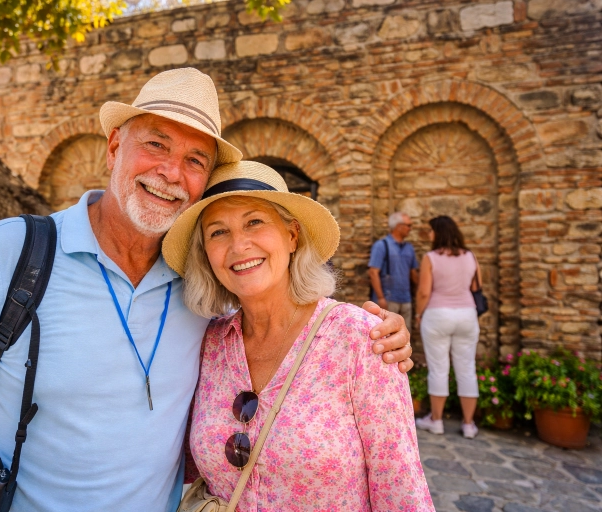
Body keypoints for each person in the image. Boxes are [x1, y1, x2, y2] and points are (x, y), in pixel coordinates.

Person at [0, 68, 414, 512]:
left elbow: (283, 316)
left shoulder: (202, 288)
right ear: (114, 147)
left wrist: (374, 335)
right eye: (155, 144)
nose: (169, 172)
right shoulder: (12, 253)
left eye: (194, 160)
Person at [162, 161, 433, 511]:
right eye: (218, 232)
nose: (238, 245)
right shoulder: (209, 343)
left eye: (254, 222)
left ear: (292, 236)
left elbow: (401, 488)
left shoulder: (360, 338)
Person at [414, 215, 482, 439]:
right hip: (466, 314)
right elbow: (475, 285)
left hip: (438, 314)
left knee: (438, 368)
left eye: (431, 231)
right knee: (467, 369)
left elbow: (424, 291)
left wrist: (418, 313)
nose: (429, 235)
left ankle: (436, 420)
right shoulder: (470, 256)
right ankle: (469, 424)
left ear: (439, 233)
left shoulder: (431, 257)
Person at [368, 211, 419, 330]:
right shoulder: (381, 245)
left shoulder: (409, 248)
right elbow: (373, 272)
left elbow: (413, 273)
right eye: (408, 225)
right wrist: (381, 298)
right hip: (388, 299)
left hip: (406, 299)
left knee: (405, 335)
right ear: (398, 226)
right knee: (386, 335)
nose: (410, 229)